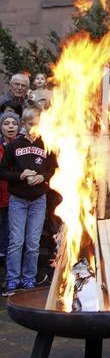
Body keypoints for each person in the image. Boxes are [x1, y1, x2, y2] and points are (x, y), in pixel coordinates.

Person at [0, 108, 55, 295]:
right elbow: (3, 171)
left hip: (38, 199)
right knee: (16, 241)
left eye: (37, 124)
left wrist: (43, 177)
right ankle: (12, 280)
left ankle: (29, 278)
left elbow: (54, 169)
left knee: (33, 243)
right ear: (23, 124)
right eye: (30, 124)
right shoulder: (14, 145)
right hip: (18, 199)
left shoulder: (46, 145)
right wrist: (20, 175)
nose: (33, 128)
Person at [0, 112, 20, 262]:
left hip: (15, 196)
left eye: (14, 123)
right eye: (6, 123)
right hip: (0, 195)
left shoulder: (22, 146)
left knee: (12, 233)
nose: (10, 126)